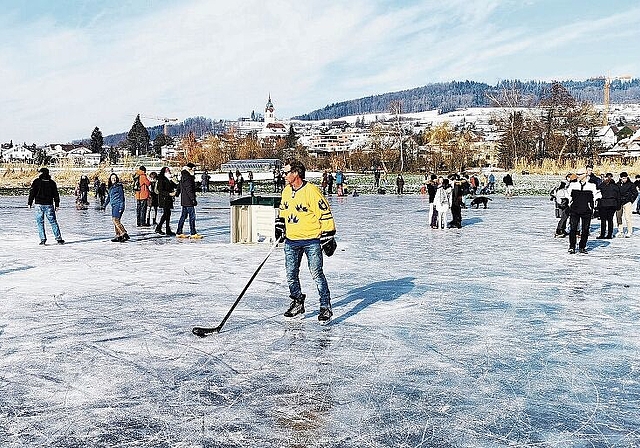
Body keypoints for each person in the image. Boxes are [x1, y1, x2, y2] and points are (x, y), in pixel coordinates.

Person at [275, 159, 336, 322]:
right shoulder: (286, 191)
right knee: (290, 275)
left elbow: (325, 213)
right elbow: (283, 210)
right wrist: (279, 226)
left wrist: (328, 235)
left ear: (296, 173)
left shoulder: (311, 191)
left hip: (311, 241)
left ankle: (325, 307)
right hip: (292, 241)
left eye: (286, 172)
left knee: (316, 274)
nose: (284, 175)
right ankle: (297, 302)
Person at [27, 167, 65, 245]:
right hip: (49, 205)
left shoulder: (36, 182)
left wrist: (29, 203)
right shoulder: (52, 183)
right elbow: (56, 194)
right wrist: (57, 204)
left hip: (39, 205)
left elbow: (32, 192)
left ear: (41, 173)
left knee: (40, 222)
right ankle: (59, 239)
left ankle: (43, 239)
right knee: (53, 222)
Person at [566, 169, 600, 253]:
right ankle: (572, 246)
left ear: (585, 174)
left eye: (580, 174)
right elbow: (567, 195)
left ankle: (582, 247)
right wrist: (570, 204)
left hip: (586, 211)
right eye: (577, 174)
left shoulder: (592, 186)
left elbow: (597, 196)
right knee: (573, 229)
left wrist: (592, 207)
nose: (578, 175)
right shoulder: (573, 185)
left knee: (585, 230)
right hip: (574, 210)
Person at [176, 162, 201, 238]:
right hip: (189, 200)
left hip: (184, 200)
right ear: (190, 169)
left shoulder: (183, 176)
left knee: (183, 216)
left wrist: (177, 193)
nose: (195, 171)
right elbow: (189, 189)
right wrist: (193, 199)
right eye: (194, 169)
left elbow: (180, 186)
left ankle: (179, 232)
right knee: (192, 216)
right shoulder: (188, 177)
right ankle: (193, 233)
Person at [104, 173, 129, 242]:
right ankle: (118, 236)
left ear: (117, 179)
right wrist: (104, 205)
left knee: (115, 220)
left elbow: (122, 197)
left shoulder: (119, 186)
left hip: (118, 205)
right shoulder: (111, 187)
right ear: (110, 179)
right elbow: (109, 197)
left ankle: (124, 233)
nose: (113, 179)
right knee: (116, 221)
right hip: (114, 206)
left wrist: (121, 206)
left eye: (115, 178)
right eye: (112, 178)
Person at [155, 166, 177, 236]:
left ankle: (165, 228)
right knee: (166, 214)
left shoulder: (168, 179)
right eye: (167, 170)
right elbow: (160, 190)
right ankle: (160, 228)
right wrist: (169, 194)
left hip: (168, 199)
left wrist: (175, 178)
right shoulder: (162, 179)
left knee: (167, 214)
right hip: (164, 199)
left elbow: (176, 186)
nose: (169, 171)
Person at [597, 173, 620, 239]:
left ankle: (602, 234)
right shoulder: (615, 186)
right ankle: (609, 234)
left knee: (603, 220)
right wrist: (618, 205)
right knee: (610, 220)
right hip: (612, 204)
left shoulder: (603, 185)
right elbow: (618, 196)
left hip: (603, 204)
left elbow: (598, 192)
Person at [616, 171, 637, 238]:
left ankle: (629, 231)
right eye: (623, 178)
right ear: (620, 178)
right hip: (619, 202)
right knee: (618, 216)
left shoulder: (631, 184)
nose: (624, 179)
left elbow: (635, 193)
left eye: (625, 178)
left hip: (627, 202)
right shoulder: (617, 184)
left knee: (627, 217)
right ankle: (620, 231)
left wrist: (631, 200)